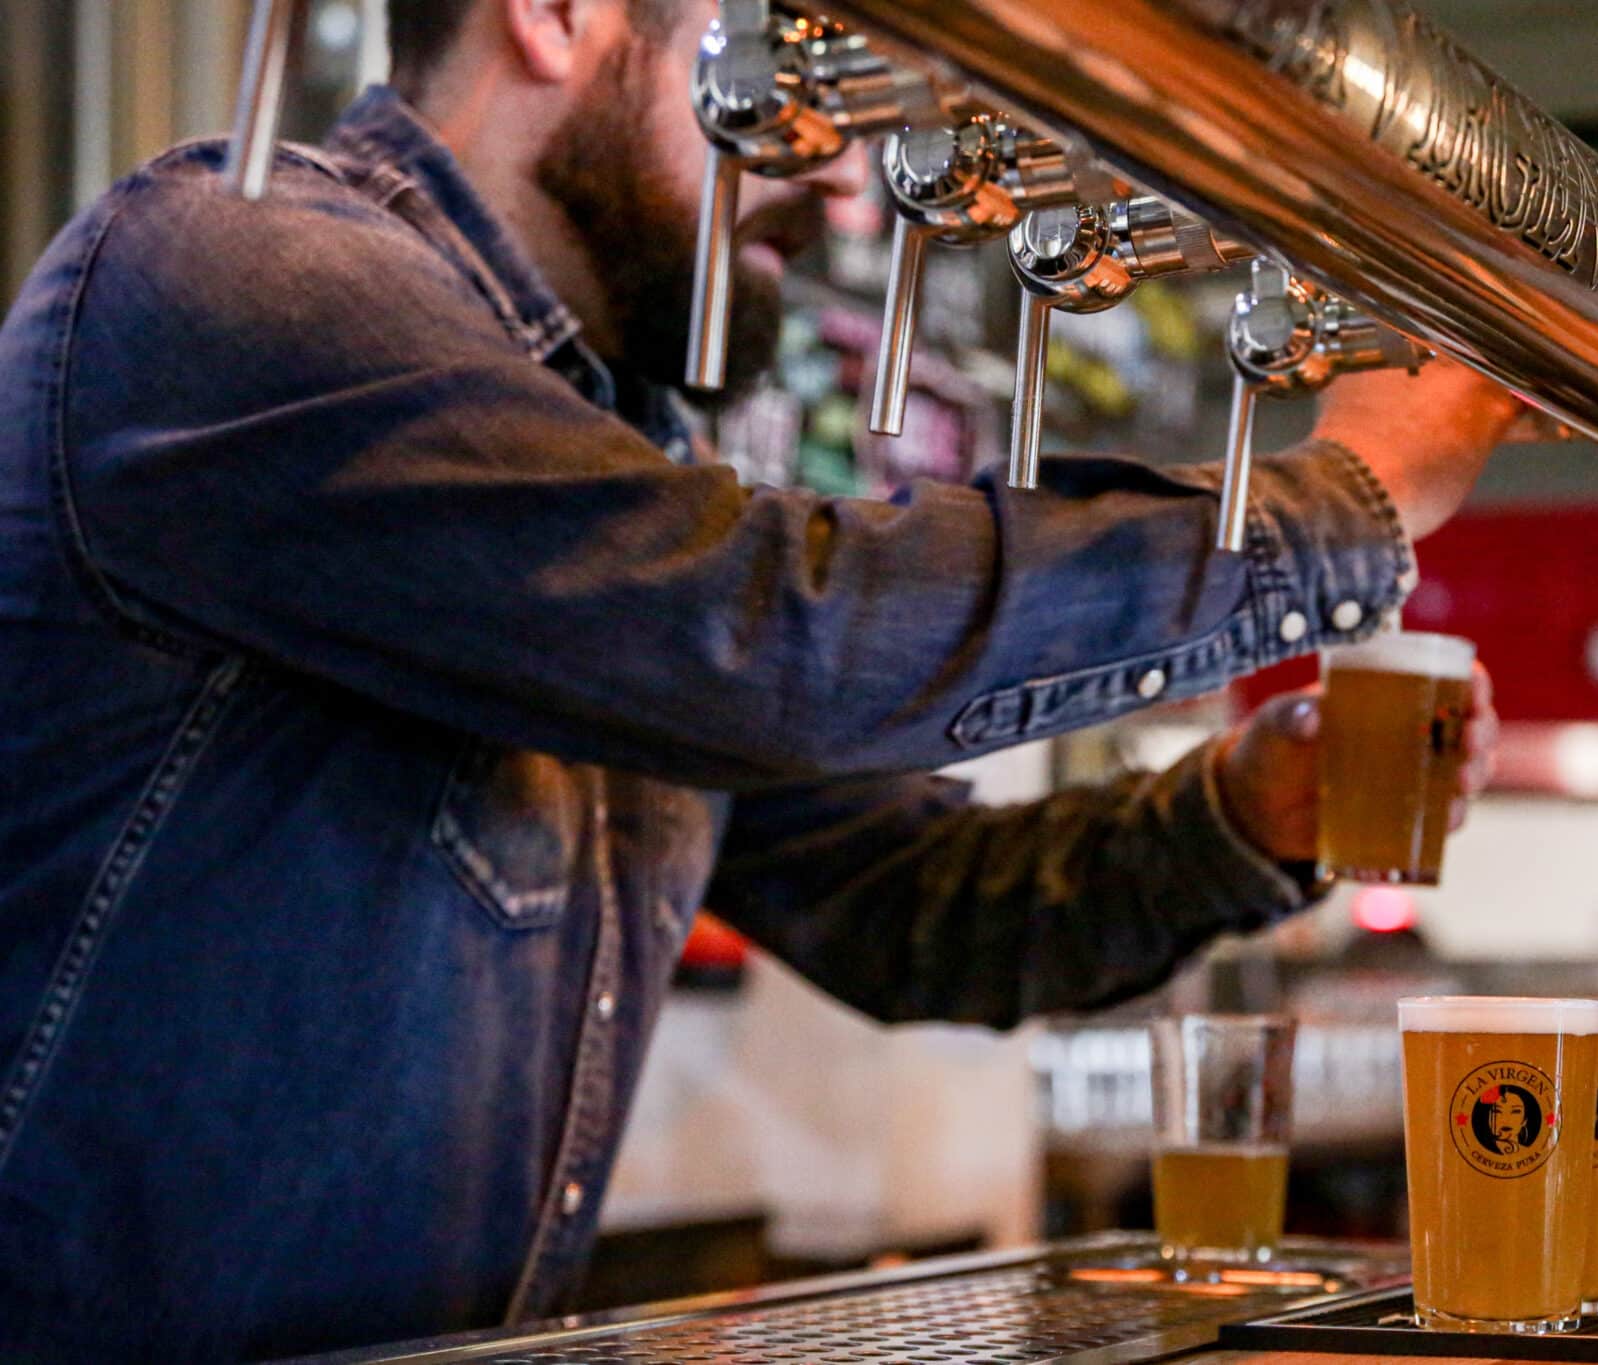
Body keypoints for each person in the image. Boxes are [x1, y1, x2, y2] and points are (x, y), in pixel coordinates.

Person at [0, 0, 1519, 1358]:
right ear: (555, 16)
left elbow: (904, 898)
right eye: (802, 86)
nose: (848, 183)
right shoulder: (236, 277)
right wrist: (1342, 499)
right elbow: (772, 640)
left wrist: (1241, 816)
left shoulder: (629, 468)